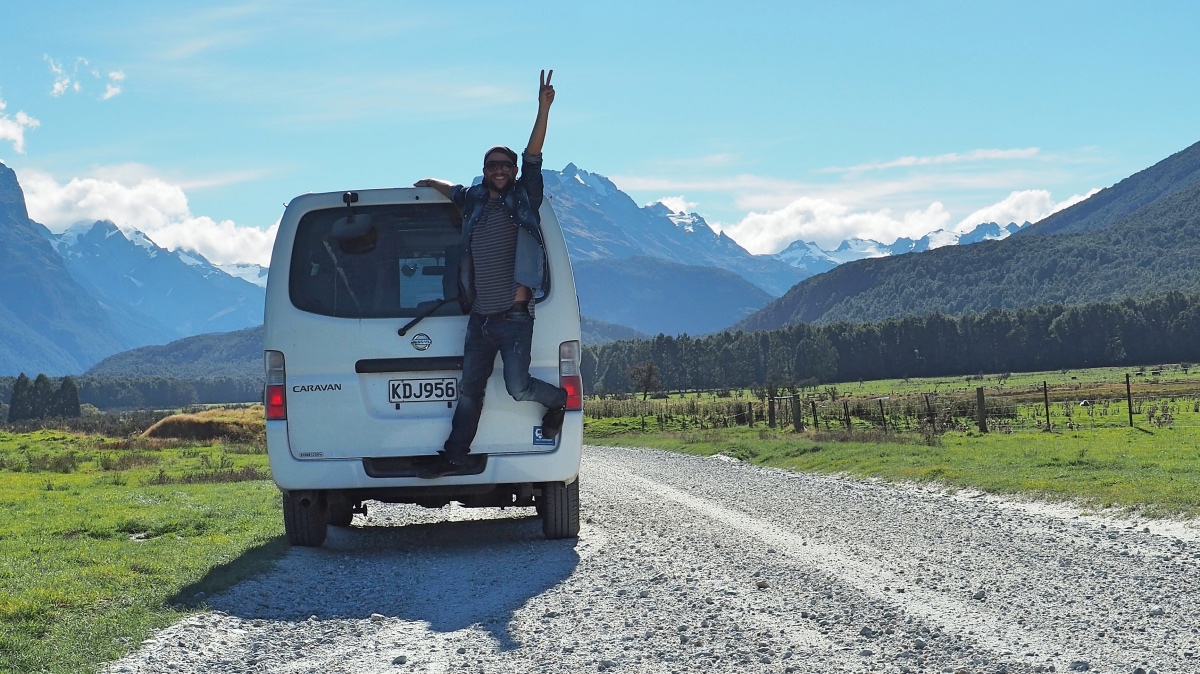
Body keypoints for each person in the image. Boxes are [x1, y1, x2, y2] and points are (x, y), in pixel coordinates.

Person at [413, 70, 567, 478]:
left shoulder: (524, 198)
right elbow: (454, 190)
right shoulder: (475, 199)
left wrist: (543, 108)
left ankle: (558, 401)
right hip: (479, 318)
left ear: (514, 171)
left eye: (506, 165)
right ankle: (454, 456)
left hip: (514, 319)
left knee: (518, 388)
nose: (499, 170)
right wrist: (430, 181)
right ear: (484, 170)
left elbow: (533, 154)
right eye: (492, 165)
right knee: (469, 392)